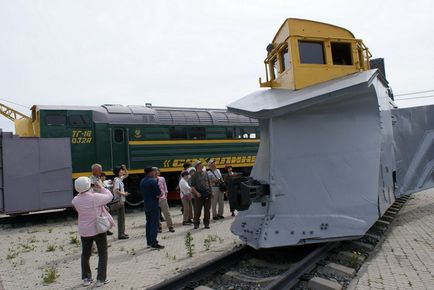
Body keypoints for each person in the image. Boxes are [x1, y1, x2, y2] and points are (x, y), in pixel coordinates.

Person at [72, 176, 114, 287]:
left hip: (84, 230)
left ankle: (86, 278)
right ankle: (101, 279)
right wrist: (101, 187)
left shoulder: (75, 200)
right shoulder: (94, 197)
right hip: (98, 229)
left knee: (85, 254)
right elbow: (110, 197)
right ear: (88, 186)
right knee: (102, 253)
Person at [140, 166, 164, 249]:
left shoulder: (142, 181)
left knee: (148, 223)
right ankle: (154, 243)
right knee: (154, 223)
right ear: (150, 172)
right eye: (153, 171)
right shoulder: (152, 181)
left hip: (146, 205)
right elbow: (158, 194)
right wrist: (161, 194)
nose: (155, 173)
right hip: (154, 205)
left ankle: (149, 242)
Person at [190, 160, 212, 229]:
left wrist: (211, 191)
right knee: (198, 210)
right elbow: (192, 186)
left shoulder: (205, 173)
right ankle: (196, 223)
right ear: (197, 166)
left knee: (207, 210)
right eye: (200, 164)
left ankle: (206, 223)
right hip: (199, 195)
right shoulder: (194, 175)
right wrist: (197, 193)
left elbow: (209, 183)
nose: (202, 165)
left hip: (207, 193)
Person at [155, 168, 175, 233]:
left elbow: (165, 187)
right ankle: (159, 227)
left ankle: (170, 226)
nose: (156, 172)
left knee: (167, 213)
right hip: (155, 199)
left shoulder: (162, 178)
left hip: (163, 198)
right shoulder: (151, 180)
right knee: (156, 214)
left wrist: (165, 194)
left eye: (157, 171)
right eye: (155, 171)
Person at [113, 165, 129, 240]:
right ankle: (120, 234)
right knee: (121, 218)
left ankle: (122, 232)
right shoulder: (116, 180)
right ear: (118, 172)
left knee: (122, 218)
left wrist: (125, 168)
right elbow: (116, 190)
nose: (122, 172)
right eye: (121, 171)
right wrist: (124, 194)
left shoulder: (119, 179)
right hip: (119, 201)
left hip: (122, 200)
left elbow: (127, 174)